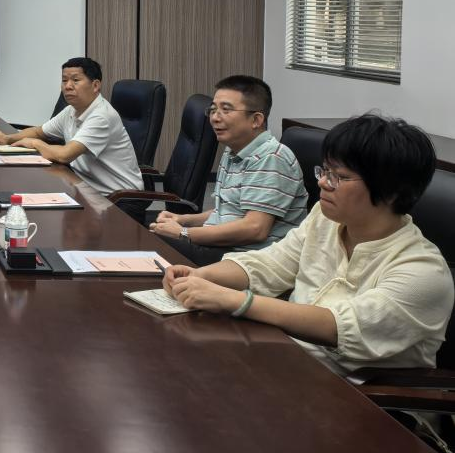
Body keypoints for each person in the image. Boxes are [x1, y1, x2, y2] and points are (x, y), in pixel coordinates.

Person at [163, 114, 453, 375]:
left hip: (363, 397)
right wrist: (202, 276)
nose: (323, 183)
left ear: (391, 192)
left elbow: (340, 327)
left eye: (339, 177)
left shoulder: (423, 271)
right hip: (289, 361)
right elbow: (271, 264)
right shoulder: (325, 220)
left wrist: (234, 301)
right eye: (324, 171)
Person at [147, 75, 307, 265]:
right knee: (148, 236)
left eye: (226, 109)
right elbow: (226, 212)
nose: (215, 117)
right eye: (213, 109)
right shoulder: (234, 150)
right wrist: (183, 219)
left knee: (149, 244)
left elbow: (255, 229)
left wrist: (184, 233)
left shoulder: (271, 158)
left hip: (247, 258)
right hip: (224, 247)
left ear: (256, 119)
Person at [0, 56, 142, 195]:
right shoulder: (71, 110)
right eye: (64, 80)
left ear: (95, 85)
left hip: (120, 198)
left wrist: (35, 144)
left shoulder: (102, 116)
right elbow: (39, 132)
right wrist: (7, 139)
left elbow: (65, 155)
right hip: (86, 187)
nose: (68, 86)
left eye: (75, 80)